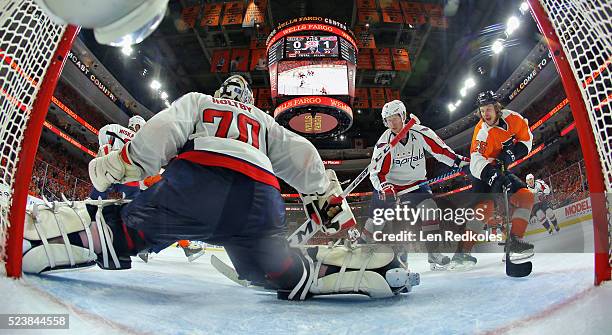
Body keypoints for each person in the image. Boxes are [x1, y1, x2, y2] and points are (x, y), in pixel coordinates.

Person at [21, 75, 419, 300]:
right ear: (247, 100)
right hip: (260, 202)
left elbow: (157, 137)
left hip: (197, 186)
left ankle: (34, 241)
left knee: (123, 227)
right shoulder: (264, 122)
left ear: (223, 96)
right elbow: (309, 164)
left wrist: (109, 169)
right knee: (278, 268)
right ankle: (374, 270)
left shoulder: (199, 100)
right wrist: (341, 222)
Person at [361, 100, 469, 270]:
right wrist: (385, 187)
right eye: (388, 120)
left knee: (430, 209)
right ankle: (361, 252)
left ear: (403, 116)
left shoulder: (420, 132)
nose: (392, 123)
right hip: (391, 187)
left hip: (416, 185)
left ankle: (433, 254)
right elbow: (376, 173)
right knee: (376, 222)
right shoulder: (383, 144)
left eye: (395, 118)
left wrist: (458, 162)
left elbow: (440, 151)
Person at [457, 91, 535, 264]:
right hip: (483, 173)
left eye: (489, 109)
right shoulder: (482, 131)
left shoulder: (514, 119)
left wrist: (511, 155)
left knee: (526, 196)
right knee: (485, 208)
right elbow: (476, 160)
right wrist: (493, 177)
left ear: (497, 108)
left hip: (500, 169)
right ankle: (461, 253)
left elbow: (527, 140)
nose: (486, 114)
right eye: (482, 110)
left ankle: (514, 243)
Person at [91, 115, 146, 200]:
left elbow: (103, 131)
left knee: (102, 184)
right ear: (137, 125)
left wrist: (105, 148)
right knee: (133, 195)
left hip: (112, 169)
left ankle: (93, 201)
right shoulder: (141, 141)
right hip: (128, 176)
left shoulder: (117, 128)